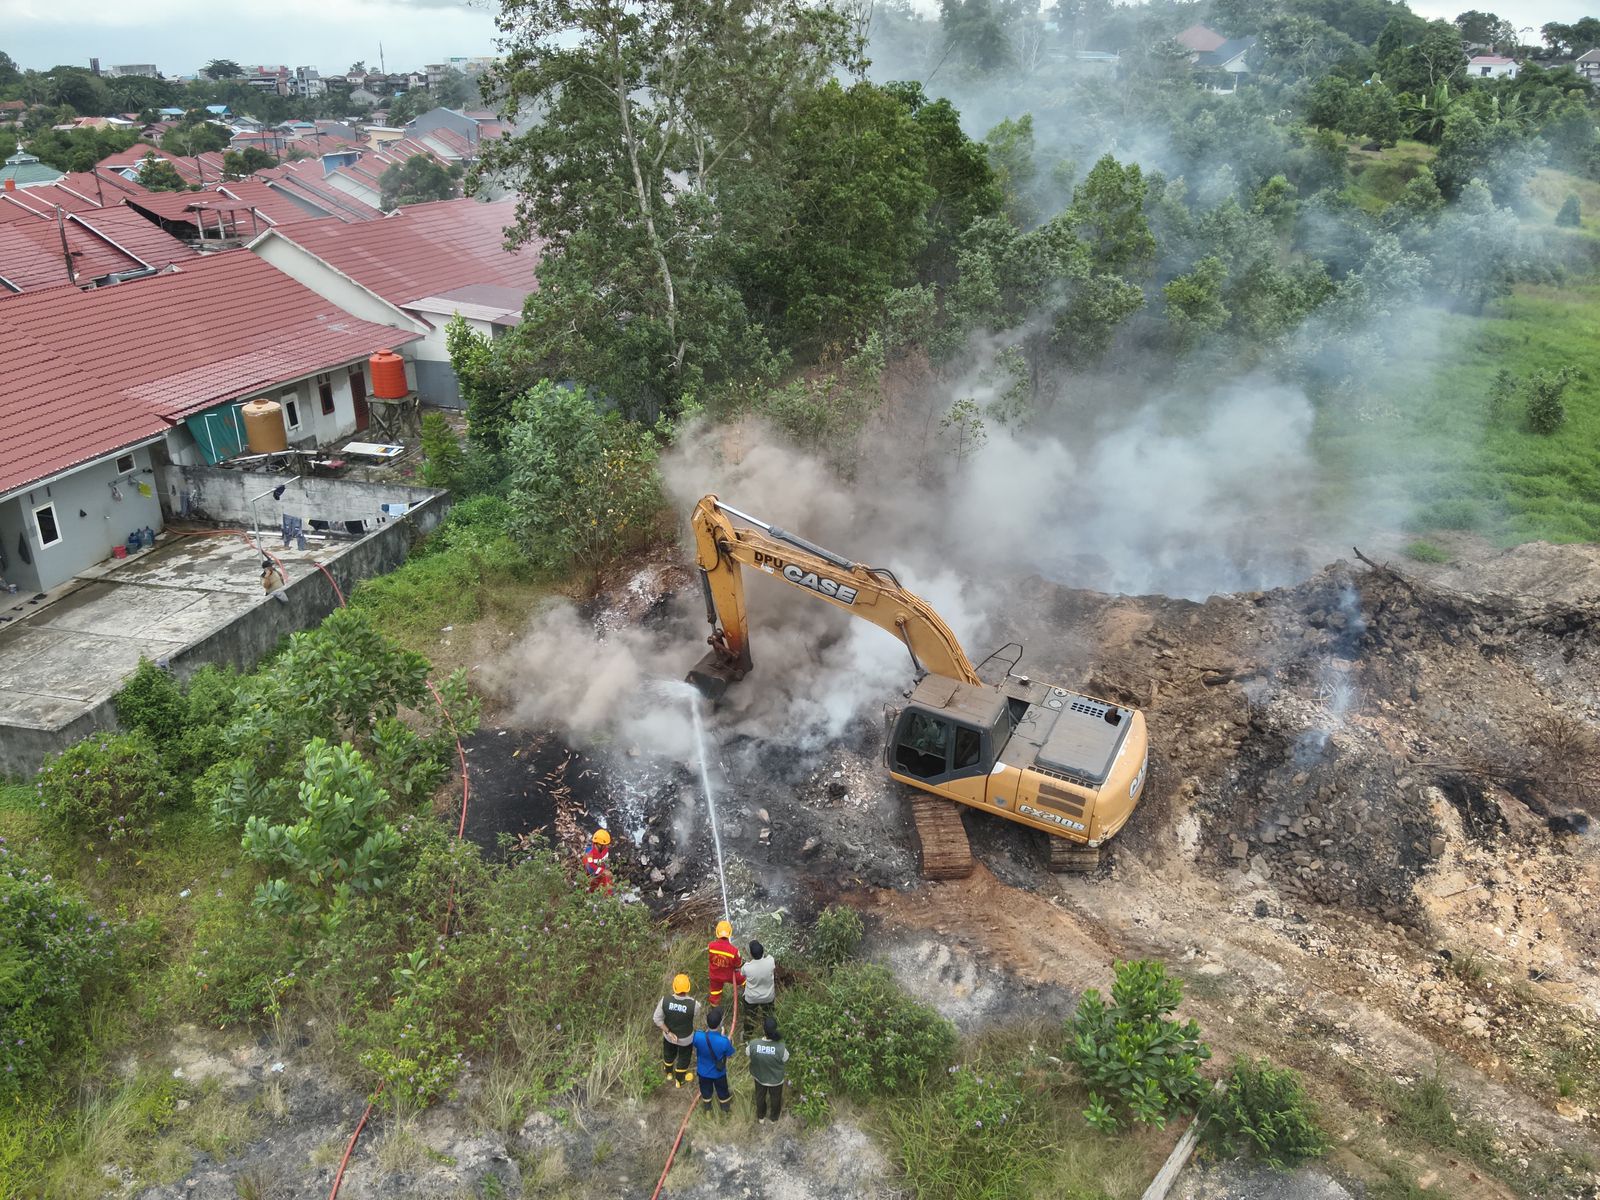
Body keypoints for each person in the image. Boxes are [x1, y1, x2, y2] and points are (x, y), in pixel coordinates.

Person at [652, 973, 699, 1088]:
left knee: (668, 1053)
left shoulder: (665, 1001)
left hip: (669, 1036)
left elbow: (656, 1019)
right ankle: (679, 1080)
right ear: (688, 987)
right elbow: (694, 1016)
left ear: (674, 987)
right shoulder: (695, 1005)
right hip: (686, 1038)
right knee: (684, 1058)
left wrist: (668, 1032)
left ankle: (668, 1073)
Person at [745, 1015, 790, 1124]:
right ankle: (774, 1118)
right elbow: (786, 1058)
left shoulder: (754, 1044)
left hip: (759, 1077)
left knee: (760, 1097)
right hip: (776, 1080)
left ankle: (761, 1117)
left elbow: (747, 1053)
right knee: (775, 1099)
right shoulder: (781, 1047)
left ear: (763, 1029)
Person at [693, 1006, 735, 1116]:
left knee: (705, 1092)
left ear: (707, 1022)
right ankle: (725, 1111)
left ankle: (707, 1111)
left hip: (703, 1072)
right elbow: (730, 1054)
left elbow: (695, 1043)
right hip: (719, 1074)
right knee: (723, 1091)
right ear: (720, 1024)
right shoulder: (724, 1041)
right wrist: (725, 1038)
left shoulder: (698, 1036)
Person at [740, 940, 776, 1040]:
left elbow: (741, 973)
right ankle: (769, 1033)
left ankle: (747, 1036)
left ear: (751, 954)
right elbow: (769, 958)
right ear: (763, 951)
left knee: (749, 1017)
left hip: (752, 998)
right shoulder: (770, 961)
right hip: (768, 997)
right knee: (768, 1015)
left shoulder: (747, 967)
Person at [707, 919, 743, 1008]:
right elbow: (738, 964)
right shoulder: (734, 950)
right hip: (729, 975)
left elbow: (711, 958)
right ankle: (749, 994)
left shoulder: (711, 946)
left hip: (715, 975)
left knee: (715, 993)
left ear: (717, 932)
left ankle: (714, 1009)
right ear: (730, 933)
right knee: (744, 979)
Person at [582, 828, 613, 895]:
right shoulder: (590, 852)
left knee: (608, 884)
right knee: (592, 887)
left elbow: (605, 859)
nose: (607, 846)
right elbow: (591, 867)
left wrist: (606, 868)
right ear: (599, 844)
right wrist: (603, 871)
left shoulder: (604, 849)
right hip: (591, 873)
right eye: (605, 845)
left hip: (600, 868)